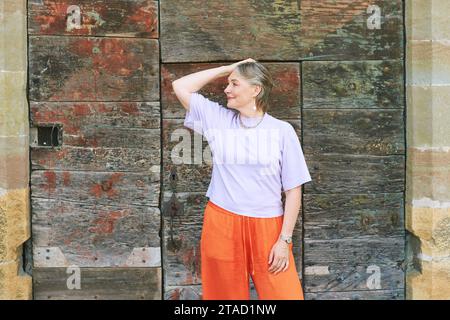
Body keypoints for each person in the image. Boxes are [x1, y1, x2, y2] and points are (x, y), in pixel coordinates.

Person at [172, 58, 312, 300]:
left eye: (235, 84)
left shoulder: (282, 131)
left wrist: (284, 240)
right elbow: (180, 86)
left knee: (284, 295)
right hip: (222, 222)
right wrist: (229, 69)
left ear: (255, 90)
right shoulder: (218, 120)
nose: (227, 89)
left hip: (269, 226)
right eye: (228, 83)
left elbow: (293, 190)